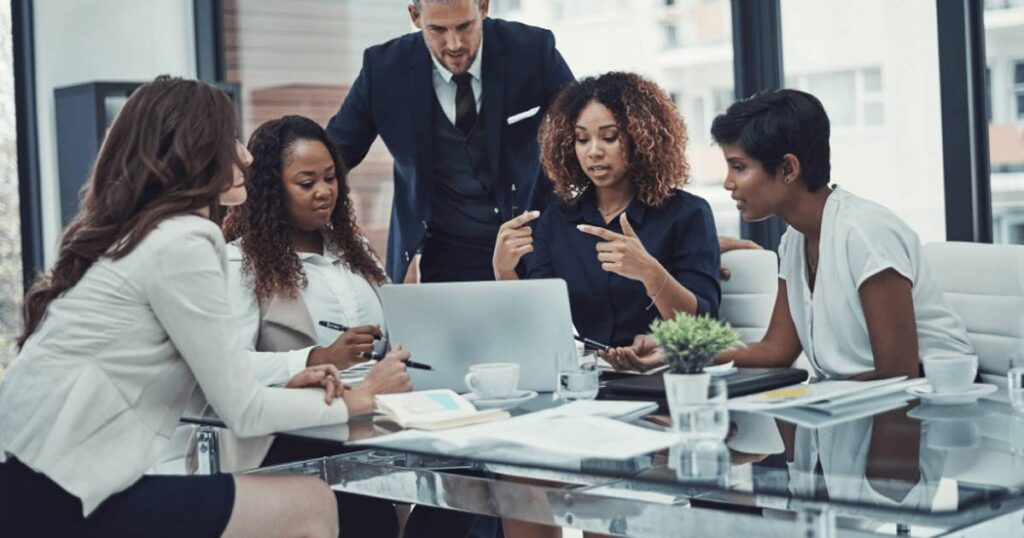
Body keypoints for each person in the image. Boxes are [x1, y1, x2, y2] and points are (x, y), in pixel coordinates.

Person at [0, 76, 389, 537]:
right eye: (234, 139)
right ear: (201, 148)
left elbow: (208, 386)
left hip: (31, 488)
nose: (247, 155)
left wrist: (288, 378)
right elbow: (242, 412)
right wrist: (360, 402)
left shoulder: (143, 235)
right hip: (63, 500)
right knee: (310, 503)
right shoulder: (186, 239)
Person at [603, 89, 974, 380]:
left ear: (787, 168)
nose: (729, 183)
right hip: (852, 409)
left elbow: (899, 375)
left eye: (739, 167)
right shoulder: (795, 239)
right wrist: (676, 350)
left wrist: (811, 399)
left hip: (927, 415)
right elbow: (776, 350)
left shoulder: (865, 234)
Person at [221, 115, 476, 538]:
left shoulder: (355, 256)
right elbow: (230, 368)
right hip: (299, 434)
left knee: (470, 466)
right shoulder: (241, 264)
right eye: (306, 183)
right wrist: (317, 358)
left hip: (377, 420)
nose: (324, 192)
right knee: (368, 513)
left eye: (330, 178)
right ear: (271, 190)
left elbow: (401, 335)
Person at [326, 0, 574, 283]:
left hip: (528, 243)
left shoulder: (532, 50)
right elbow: (333, 153)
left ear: (482, 7)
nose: (454, 43)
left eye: (464, 26)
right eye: (438, 30)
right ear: (416, 16)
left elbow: (581, 127)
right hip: (445, 252)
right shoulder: (383, 70)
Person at [492, 72, 721, 348]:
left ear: (641, 139)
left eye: (609, 137)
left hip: (665, 375)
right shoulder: (557, 220)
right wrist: (504, 272)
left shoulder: (688, 214)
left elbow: (703, 327)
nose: (593, 152)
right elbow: (539, 326)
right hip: (590, 380)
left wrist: (651, 273)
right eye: (581, 139)